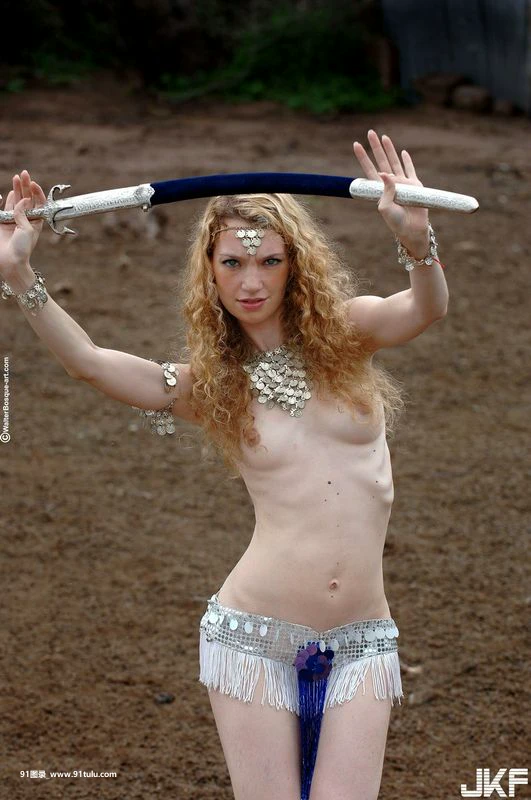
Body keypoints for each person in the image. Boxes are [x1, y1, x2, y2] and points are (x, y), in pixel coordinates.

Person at [0, 130, 449, 800]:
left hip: (365, 639)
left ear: (294, 265)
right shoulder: (213, 386)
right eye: (233, 263)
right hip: (252, 637)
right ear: (210, 271)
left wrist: (416, 242)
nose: (251, 281)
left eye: (269, 261)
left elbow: (425, 308)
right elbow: (90, 364)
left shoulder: (349, 336)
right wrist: (18, 276)